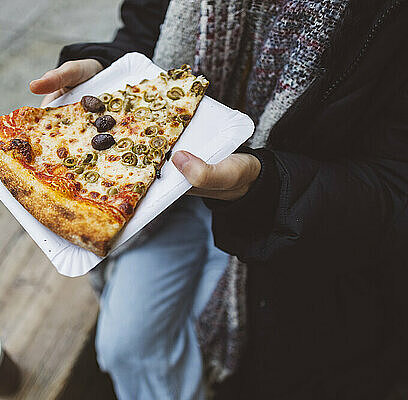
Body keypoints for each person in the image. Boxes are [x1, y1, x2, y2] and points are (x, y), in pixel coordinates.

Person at [29, 0, 408, 399]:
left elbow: (393, 187)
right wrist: (106, 71)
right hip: (163, 197)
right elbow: (144, 27)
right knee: (126, 349)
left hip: (299, 231)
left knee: (235, 360)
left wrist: (263, 191)